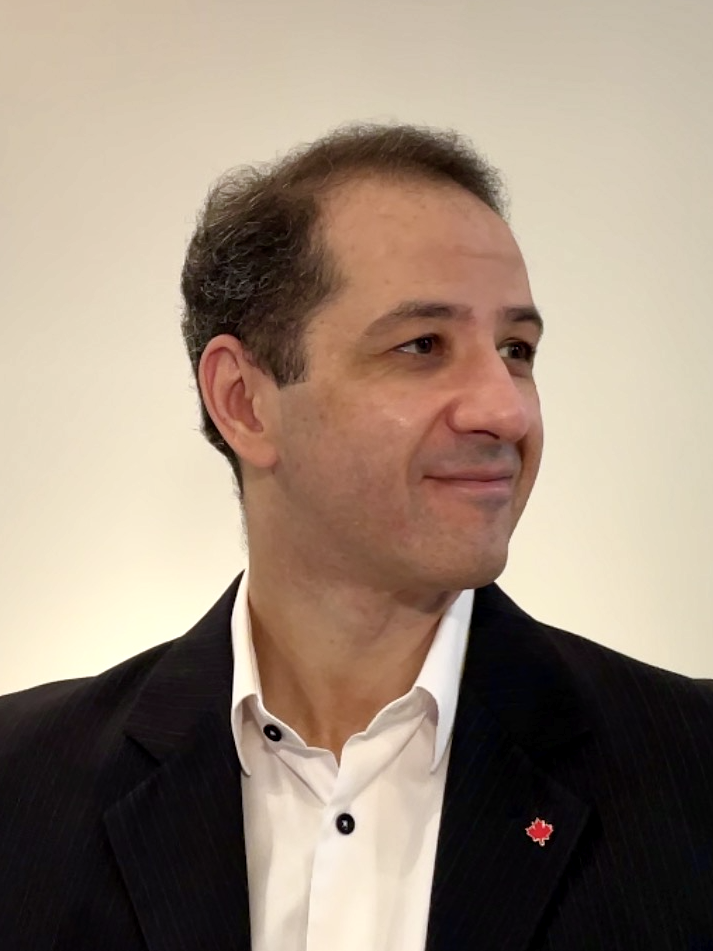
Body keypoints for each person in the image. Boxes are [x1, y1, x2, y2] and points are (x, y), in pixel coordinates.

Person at [1, 124, 712, 951]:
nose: (507, 410)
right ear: (244, 400)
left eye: (516, 350)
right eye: (421, 346)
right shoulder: (19, 790)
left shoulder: (691, 774)